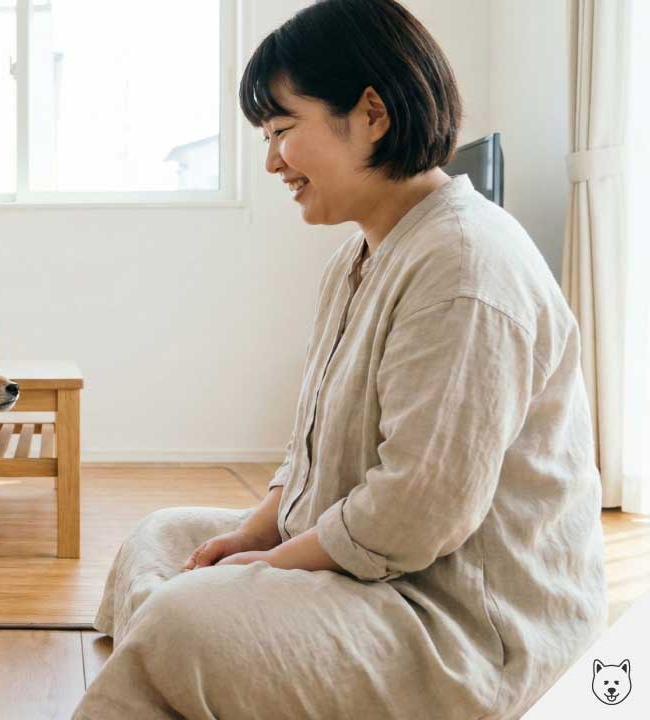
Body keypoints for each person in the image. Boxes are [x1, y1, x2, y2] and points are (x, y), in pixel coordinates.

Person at [74, 1, 606, 717]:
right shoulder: (358, 257)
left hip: (460, 624)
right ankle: (200, 670)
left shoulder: (465, 266)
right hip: (372, 570)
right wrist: (254, 533)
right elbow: (311, 448)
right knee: (162, 537)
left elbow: (414, 515)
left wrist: (261, 571)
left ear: (372, 115)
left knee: (182, 616)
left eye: (283, 131)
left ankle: (188, 662)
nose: (270, 161)